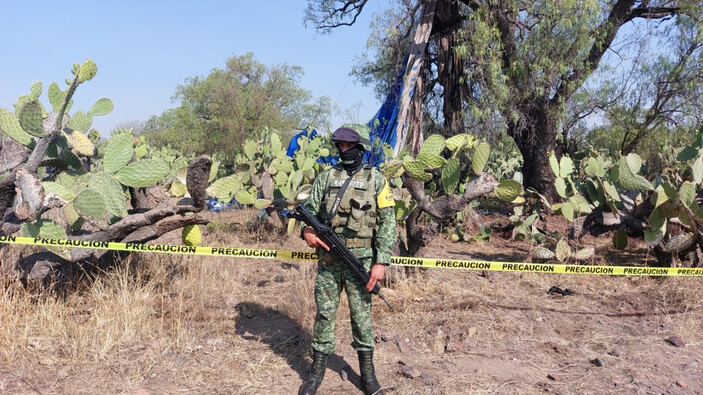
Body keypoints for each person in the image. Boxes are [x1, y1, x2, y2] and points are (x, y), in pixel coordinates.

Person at [298, 124, 396, 395]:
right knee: (325, 315)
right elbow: (308, 212)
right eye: (339, 146)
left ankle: (368, 375)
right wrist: (306, 231)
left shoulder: (376, 179)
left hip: (361, 262)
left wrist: (381, 262)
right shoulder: (327, 177)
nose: (342, 151)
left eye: (347, 146)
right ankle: (315, 374)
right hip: (329, 261)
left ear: (359, 148)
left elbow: (388, 222)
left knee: (362, 318)